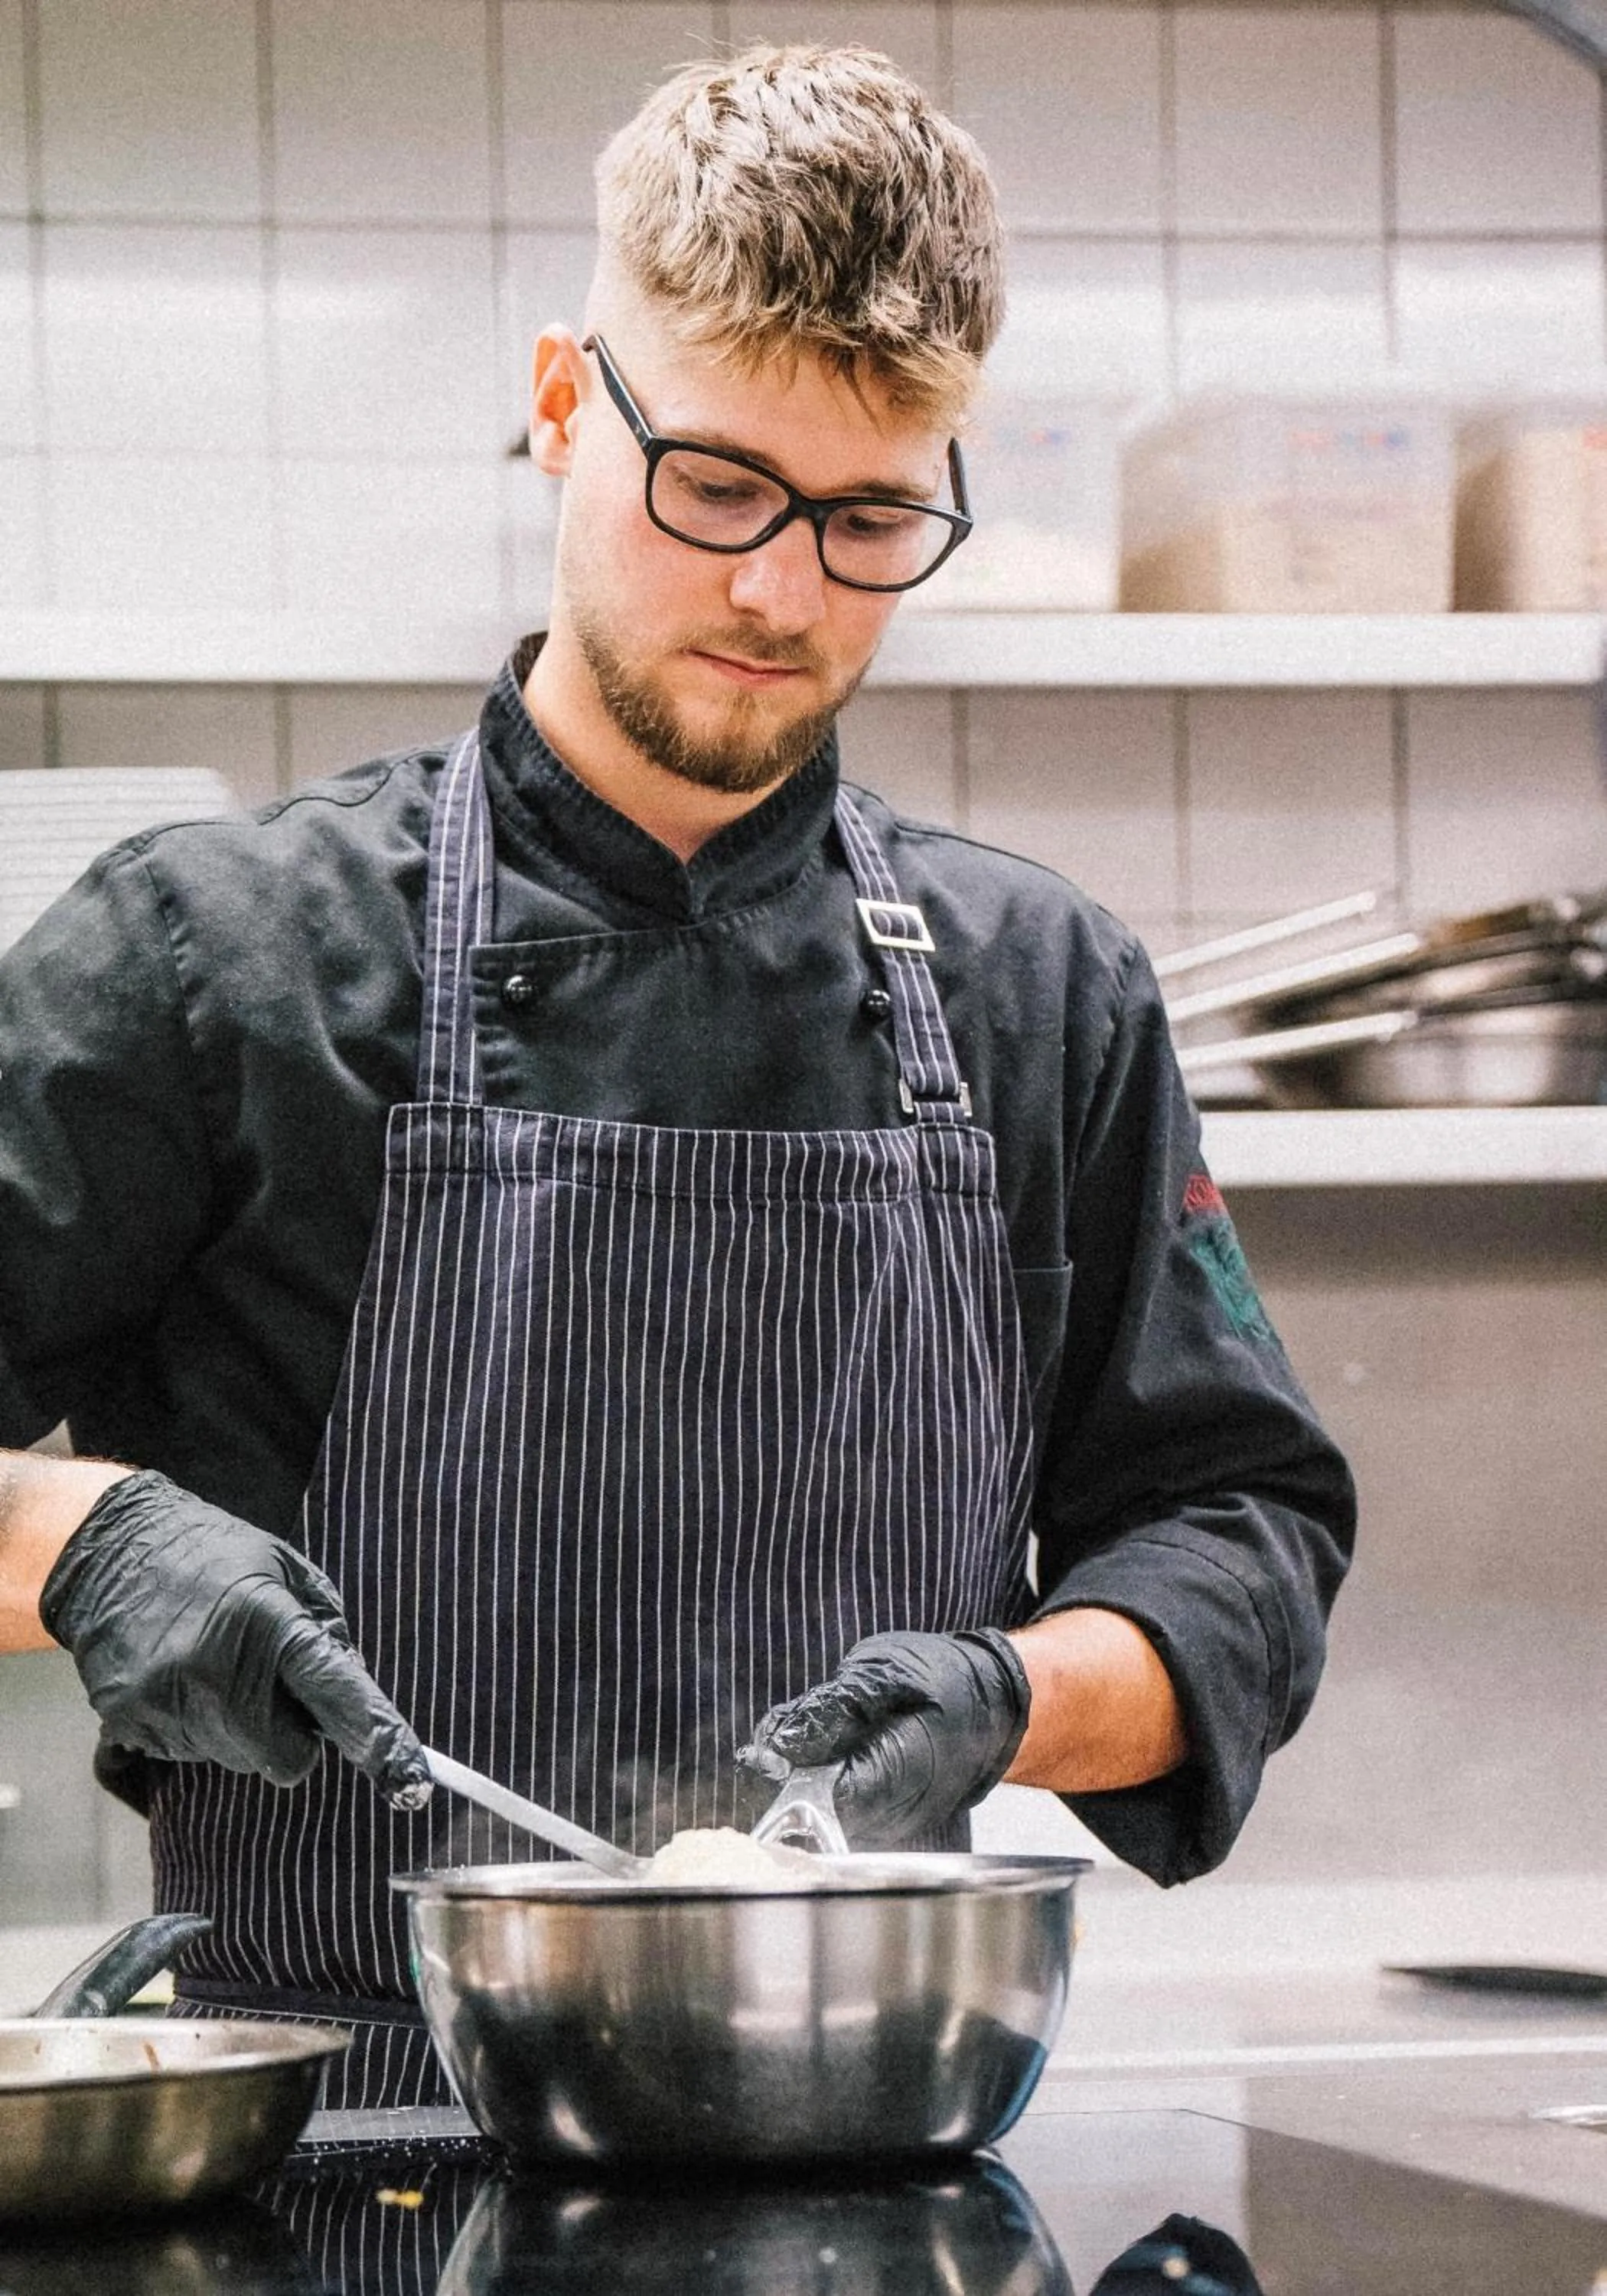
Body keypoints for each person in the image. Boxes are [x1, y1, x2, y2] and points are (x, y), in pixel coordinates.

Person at [0, 44, 1353, 2106]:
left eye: (871, 514)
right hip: (321, 2136)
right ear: (564, 402)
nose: (776, 590)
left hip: (856, 2138)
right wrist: (86, 1549)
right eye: (715, 484)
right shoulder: (217, 959)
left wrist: (1011, 1701)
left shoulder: (1037, 994)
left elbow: (1232, 1532)